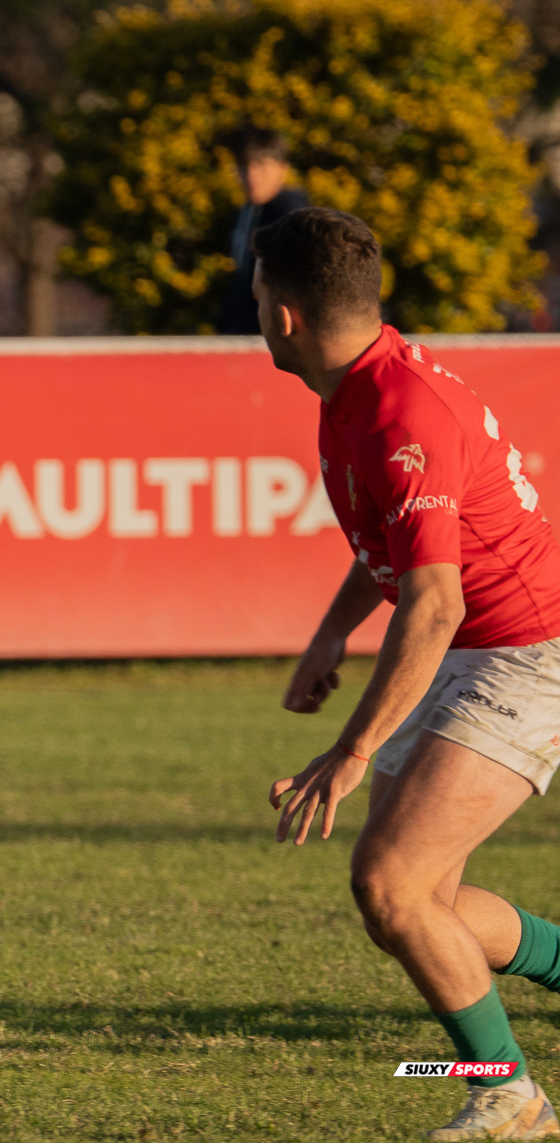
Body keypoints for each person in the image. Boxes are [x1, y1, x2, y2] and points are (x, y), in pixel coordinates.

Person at [264, 208, 560, 1139]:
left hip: (526, 650)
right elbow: (391, 549)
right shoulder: (358, 387)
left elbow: (435, 604)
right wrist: (330, 637)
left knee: (390, 883)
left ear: (282, 315)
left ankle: (507, 1096)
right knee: (417, 902)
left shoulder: (400, 411)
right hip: (482, 643)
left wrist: (356, 746)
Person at [216, 128, 311, 335]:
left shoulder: (291, 214)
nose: (251, 175)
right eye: (243, 166)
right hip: (241, 333)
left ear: (282, 168)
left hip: (273, 336)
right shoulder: (245, 211)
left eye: (260, 165)